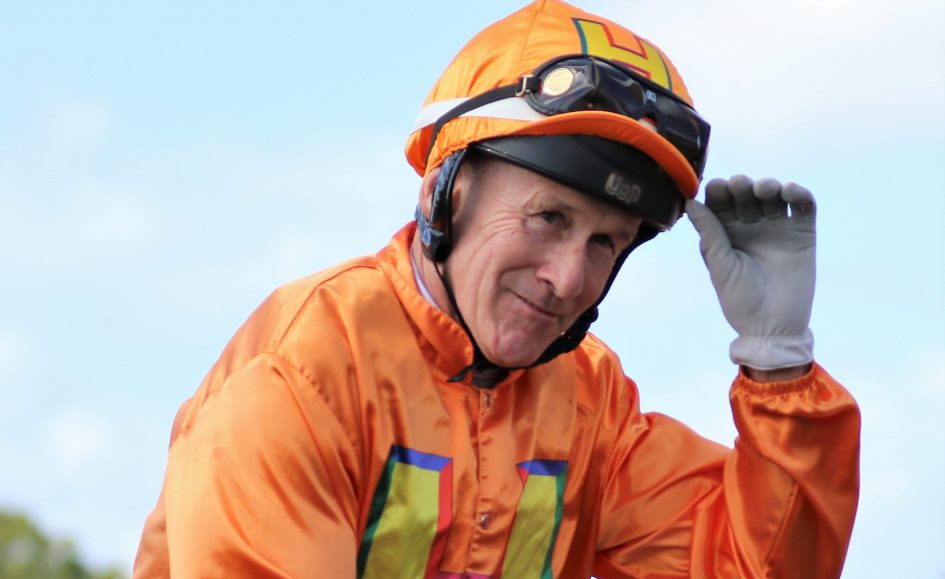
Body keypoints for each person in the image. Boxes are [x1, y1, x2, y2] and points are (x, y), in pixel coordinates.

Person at [133, 1, 860, 577]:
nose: (567, 279)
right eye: (549, 218)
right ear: (442, 193)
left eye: (605, 241)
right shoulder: (302, 373)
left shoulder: (589, 400)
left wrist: (777, 363)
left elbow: (751, 566)